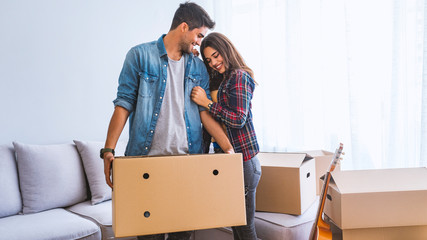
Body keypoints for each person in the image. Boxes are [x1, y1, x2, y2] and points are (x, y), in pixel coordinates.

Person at [101, 3, 233, 240]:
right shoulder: (139, 56)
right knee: (148, 236)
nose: (199, 42)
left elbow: (204, 113)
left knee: (182, 236)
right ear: (184, 27)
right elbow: (124, 104)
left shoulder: (197, 67)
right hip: (145, 165)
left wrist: (228, 148)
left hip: (185, 165)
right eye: (198, 35)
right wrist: (108, 149)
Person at [190, 32, 261, 240]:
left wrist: (208, 104)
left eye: (216, 55)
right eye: (209, 59)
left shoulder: (239, 76)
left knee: (246, 230)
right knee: (237, 229)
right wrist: (193, 57)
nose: (213, 62)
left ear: (226, 49)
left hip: (245, 162)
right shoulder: (222, 79)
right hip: (230, 161)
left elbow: (238, 119)